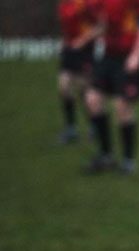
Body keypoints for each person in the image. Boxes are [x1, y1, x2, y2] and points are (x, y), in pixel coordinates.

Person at [84, 0, 139, 175]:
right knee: (92, 99)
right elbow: (103, 23)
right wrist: (85, 39)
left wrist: (137, 54)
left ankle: (129, 161)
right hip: (108, 55)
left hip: (129, 55)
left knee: (122, 106)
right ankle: (106, 155)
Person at [56, 0, 98, 144]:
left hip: (85, 51)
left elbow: (100, 26)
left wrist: (83, 40)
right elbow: (67, 27)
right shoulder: (63, 4)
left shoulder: (87, 4)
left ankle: (94, 125)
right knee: (64, 87)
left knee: (84, 90)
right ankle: (71, 129)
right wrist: (64, 41)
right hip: (69, 50)